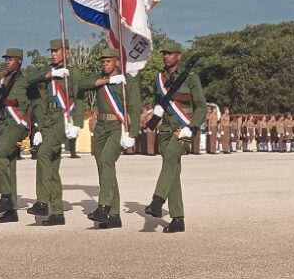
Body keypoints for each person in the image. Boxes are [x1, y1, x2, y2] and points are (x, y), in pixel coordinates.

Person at [144, 44, 206, 233]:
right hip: (165, 127)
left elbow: (201, 106)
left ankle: (157, 200)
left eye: (170, 54)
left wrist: (192, 126)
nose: (166, 57)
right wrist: (157, 110)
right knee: (172, 170)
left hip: (183, 127)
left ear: (179, 56)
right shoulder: (159, 79)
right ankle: (178, 218)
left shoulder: (191, 77)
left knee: (171, 155)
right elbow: (159, 100)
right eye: (164, 54)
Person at [77, 47, 141, 229]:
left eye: (108, 61)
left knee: (107, 160)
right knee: (104, 168)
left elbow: (135, 107)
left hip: (117, 127)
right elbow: (81, 85)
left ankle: (103, 207)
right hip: (101, 127)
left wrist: (133, 133)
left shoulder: (128, 81)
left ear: (117, 62)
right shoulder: (100, 79)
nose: (105, 64)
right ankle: (114, 215)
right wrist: (108, 80)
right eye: (103, 61)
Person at [24, 38, 85, 226]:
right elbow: (28, 80)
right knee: (51, 167)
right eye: (51, 51)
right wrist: (51, 73)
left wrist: (77, 123)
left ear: (66, 52)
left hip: (62, 118)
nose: (53, 54)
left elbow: (80, 98)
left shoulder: (73, 72)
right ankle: (57, 213)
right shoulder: (49, 72)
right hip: (48, 118)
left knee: (42, 155)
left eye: (57, 51)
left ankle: (43, 201)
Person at [0, 48, 34, 223]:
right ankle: (10, 210)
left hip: (18, 124)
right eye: (6, 59)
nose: (7, 62)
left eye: (11, 59)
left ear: (20, 61)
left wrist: (12, 102)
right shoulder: (4, 80)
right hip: (5, 124)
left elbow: (27, 102)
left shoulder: (24, 81)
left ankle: (6, 197)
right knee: (8, 164)